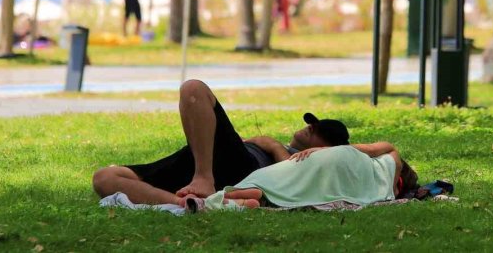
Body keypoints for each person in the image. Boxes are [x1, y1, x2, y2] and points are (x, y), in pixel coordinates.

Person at [92, 79, 351, 205]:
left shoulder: (318, 159)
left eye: (318, 130)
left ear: (327, 147)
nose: (309, 127)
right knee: (105, 178)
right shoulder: (281, 147)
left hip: (242, 166)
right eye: (311, 123)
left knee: (193, 89)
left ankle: (203, 178)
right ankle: (185, 203)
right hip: (210, 155)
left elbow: (290, 176)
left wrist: (273, 146)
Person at [197, 142, 419, 211]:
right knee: (309, 191)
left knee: (288, 175)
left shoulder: (392, 157)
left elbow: (374, 148)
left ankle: (249, 191)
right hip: (349, 177)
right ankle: (249, 199)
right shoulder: (389, 191)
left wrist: (324, 149)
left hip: (342, 156)